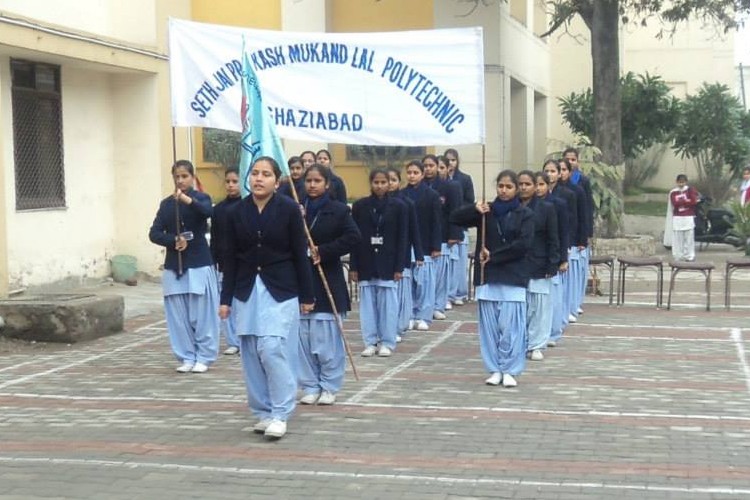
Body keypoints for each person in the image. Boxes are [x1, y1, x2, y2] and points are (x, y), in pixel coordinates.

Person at [220, 156, 315, 440]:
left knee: (272, 348)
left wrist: (307, 294)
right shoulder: (236, 212)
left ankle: (281, 411)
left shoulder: (288, 209)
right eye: (255, 174)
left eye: (266, 174)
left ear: (277, 180)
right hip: (247, 288)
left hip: (281, 288)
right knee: (250, 350)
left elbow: (300, 254)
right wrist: (225, 299)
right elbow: (230, 259)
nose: (259, 179)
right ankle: (261, 411)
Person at [450, 170, 533, 388]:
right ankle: (494, 368)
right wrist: (474, 208)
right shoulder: (487, 212)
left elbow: (523, 245)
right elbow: (454, 218)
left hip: (513, 275)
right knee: (489, 326)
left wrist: (493, 256)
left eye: (509, 187)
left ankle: (511, 368)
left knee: (511, 326)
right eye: (501, 186)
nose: (504, 191)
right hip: (488, 276)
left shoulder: (525, 214)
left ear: (516, 189)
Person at [297, 164, 361, 406]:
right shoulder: (295, 209)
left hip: (327, 279)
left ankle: (329, 385)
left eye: (317, 181)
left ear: (327, 183)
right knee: (303, 339)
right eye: (309, 180)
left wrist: (323, 251)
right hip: (301, 281)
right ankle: (309, 385)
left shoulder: (338, 210)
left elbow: (353, 237)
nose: (312, 185)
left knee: (326, 340)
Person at [149, 159, 219, 373]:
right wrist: (173, 240)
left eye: (184, 176)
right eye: (176, 177)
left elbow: (208, 213)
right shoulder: (167, 204)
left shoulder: (200, 198)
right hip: (174, 265)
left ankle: (204, 356)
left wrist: (187, 200)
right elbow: (154, 233)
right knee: (179, 316)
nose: (180, 181)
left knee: (202, 314)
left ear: (192, 177)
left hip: (198, 262)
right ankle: (186, 355)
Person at [350, 169, 408, 357]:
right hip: (366, 261)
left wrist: (400, 267)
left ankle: (387, 341)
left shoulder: (399, 206)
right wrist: (354, 266)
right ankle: (370, 341)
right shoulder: (360, 206)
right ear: (371, 183)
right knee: (367, 306)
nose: (380, 186)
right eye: (376, 182)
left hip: (388, 262)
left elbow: (402, 239)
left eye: (384, 182)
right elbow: (354, 238)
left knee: (388, 306)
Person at [518, 170, 559, 362]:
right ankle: (520, 342)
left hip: (540, 263)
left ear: (535, 186)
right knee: (521, 306)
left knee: (540, 307)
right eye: (521, 184)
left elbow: (553, 238)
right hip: (517, 265)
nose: (524, 187)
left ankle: (536, 344)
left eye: (527, 184)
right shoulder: (512, 207)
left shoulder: (546, 208)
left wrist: (553, 264)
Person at [402, 160, 442, 331]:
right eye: (409, 172)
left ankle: (424, 315)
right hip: (406, 244)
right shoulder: (401, 194)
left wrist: (436, 246)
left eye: (415, 172)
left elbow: (436, 222)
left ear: (422, 174)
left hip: (425, 244)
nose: (412, 176)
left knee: (425, 283)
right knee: (408, 282)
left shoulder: (431, 195)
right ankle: (409, 314)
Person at [423, 154, 463, 319]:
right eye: (425, 165)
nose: (429, 169)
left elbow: (456, 211)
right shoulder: (420, 187)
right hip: (424, 236)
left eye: (433, 166)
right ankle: (424, 306)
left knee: (441, 276)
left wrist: (455, 234)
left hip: (444, 235)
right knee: (426, 277)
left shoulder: (450, 187)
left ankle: (438, 305)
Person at [386, 167, 423, 340]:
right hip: (383, 256)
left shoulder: (407, 204)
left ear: (399, 182)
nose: (389, 184)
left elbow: (414, 230)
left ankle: (398, 326)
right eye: (386, 180)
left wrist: (420, 254)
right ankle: (386, 328)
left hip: (402, 254)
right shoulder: (372, 204)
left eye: (393, 180)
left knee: (401, 295)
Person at [210, 168, 242, 355]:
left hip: (242, 262)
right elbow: (215, 237)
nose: (231, 185)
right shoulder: (219, 209)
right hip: (224, 262)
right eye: (228, 181)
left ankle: (243, 337)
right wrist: (213, 258)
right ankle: (232, 340)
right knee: (225, 301)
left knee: (242, 303)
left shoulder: (247, 205)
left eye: (235, 181)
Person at [543, 159, 574, 347]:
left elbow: (564, 230)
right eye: (546, 170)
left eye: (553, 170)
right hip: (538, 255)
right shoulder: (534, 201)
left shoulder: (563, 199)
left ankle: (554, 331)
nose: (550, 173)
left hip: (556, 253)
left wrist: (564, 257)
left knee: (554, 294)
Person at [563, 148, 594, 317]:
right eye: (567, 159)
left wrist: (586, 233)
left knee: (577, 272)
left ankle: (575, 303)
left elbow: (587, 209)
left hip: (577, 234)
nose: (571, 161)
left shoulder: (582, 181)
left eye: (573, 159)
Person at [444, 149, 474, 307]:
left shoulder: (465, 179)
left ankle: (459, 293)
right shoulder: (440, 181)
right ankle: (447, 294)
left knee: (460, 263)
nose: (450, 164)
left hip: (460, 224)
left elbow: (470, 202)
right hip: (445, 227)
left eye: (453, 160)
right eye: (447, 160)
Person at [559, 159, 587, 324]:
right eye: (558, 169)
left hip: (572, 238)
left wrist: (581, 239)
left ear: (569, 172)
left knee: (569, 278)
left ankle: (569, 307)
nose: (561, 172)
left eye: (564, 169)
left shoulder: (575, 191)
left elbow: (581, 217)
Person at [668, 174, 699, 262]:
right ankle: (678, 255)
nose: (681, 184)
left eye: (683, 182)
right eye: (680, 182)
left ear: (686, 182)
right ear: (677, 182)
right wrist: (686, 201)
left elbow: (693, 201)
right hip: (678, 218)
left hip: (688, 217)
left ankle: (689, 256)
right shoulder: (673, 192)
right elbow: (675, 203)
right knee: (678, 238)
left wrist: (683, 201)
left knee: (689, 237)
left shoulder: (690, 190)